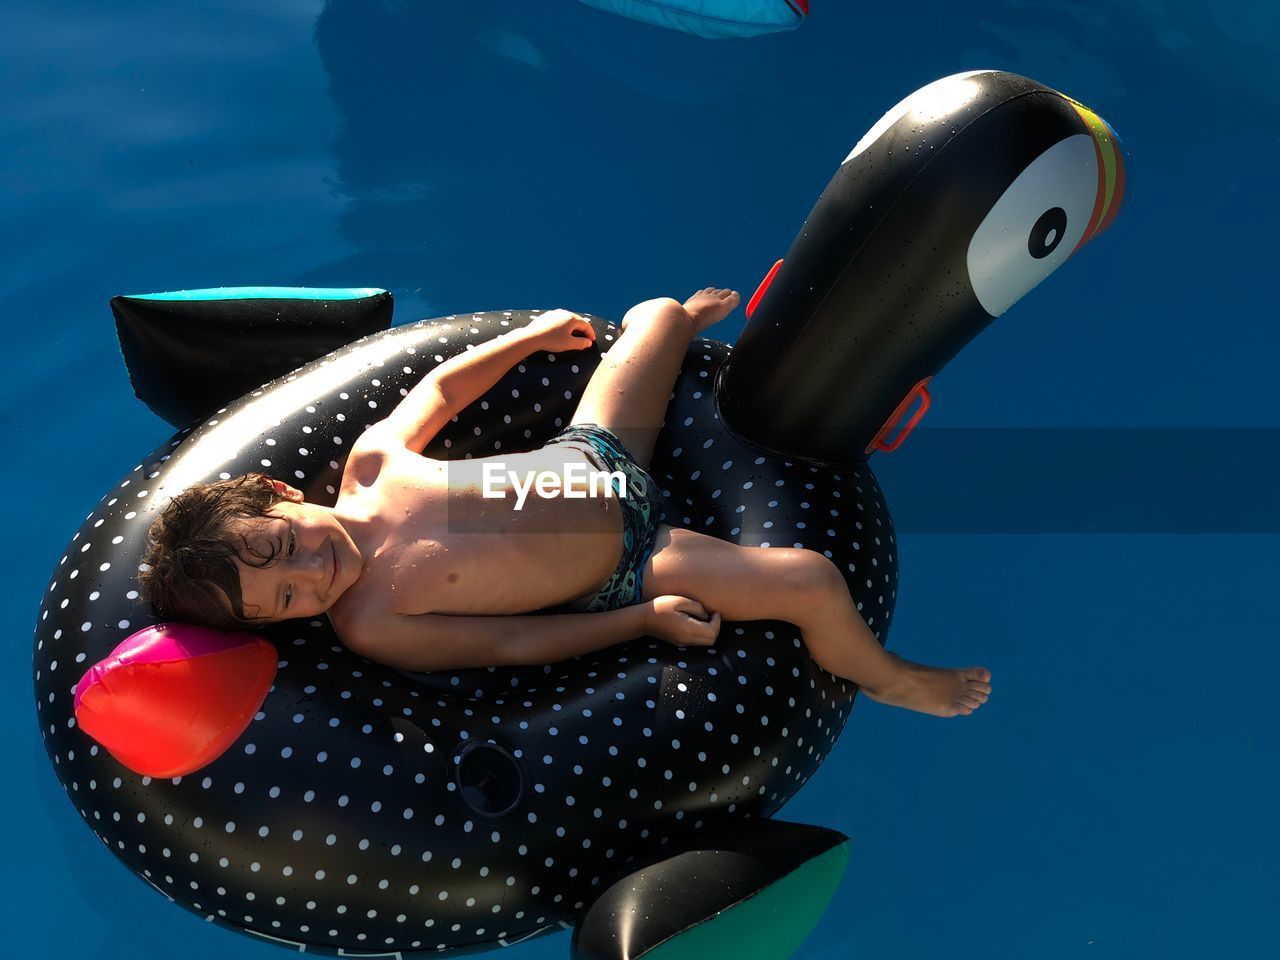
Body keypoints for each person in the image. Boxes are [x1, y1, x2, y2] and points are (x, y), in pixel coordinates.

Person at [140, 289, 991, 718]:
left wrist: (530, 339)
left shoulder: (372, 466)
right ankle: (888, 678)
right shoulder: (373, 620)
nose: (310, 574)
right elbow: (512, 640)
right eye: (286, 600)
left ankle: (682, 331)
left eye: (286, 545)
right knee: (807, 578)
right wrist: (639, 620)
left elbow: (438, 391)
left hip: (589, 458)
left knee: (656, 316)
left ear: (284, 494)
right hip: (627, 561)